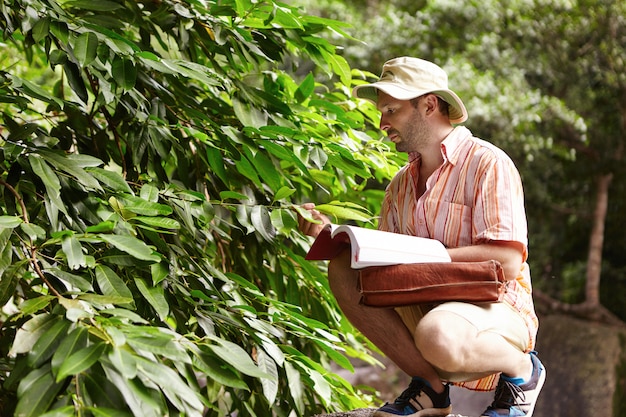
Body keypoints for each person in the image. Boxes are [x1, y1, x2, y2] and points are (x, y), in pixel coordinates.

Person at [298, 57, 546, 417]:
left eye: (391, 111)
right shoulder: (400, 185)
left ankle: (523, 372)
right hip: (431, 310)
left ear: (429, 104)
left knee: (436, 332)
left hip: (496, 308)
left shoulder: (488, 163)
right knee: (343, 270)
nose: (382, 123)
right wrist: (331, 237)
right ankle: (430, 389)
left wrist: (429, 256)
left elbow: (506, 262)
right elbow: (381, 268)